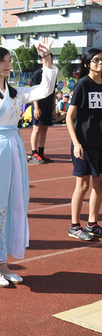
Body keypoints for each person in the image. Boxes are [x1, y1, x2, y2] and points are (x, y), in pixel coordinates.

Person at [0, 39, 56, 287]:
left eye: (8, 61)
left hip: (14, 147)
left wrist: (47, 60)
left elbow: (45, 89)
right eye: (2, 62)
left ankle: (2, 261)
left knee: (14, 201)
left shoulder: (16, 91)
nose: (8, 65)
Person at [66, 48, 102, 242]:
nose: (100, 63)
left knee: (99, 184)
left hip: (100, 142)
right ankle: (74, 225)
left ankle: (92, 223)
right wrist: (76, 143)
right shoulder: (83, 84)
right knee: (83, 184)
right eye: (96, 60)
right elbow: (69, 117)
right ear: (88, 64)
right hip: (83, 143)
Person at [29, 64, 57, 164]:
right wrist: (36, 107)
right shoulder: (38, 74)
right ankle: (34, 153)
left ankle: (41, 153)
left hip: (48, 106)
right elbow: (33, 91)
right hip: (39, 105)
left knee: (44, 129)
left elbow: (53, 92)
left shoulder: (53, 74)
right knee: (36, 129)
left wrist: (54, 108)